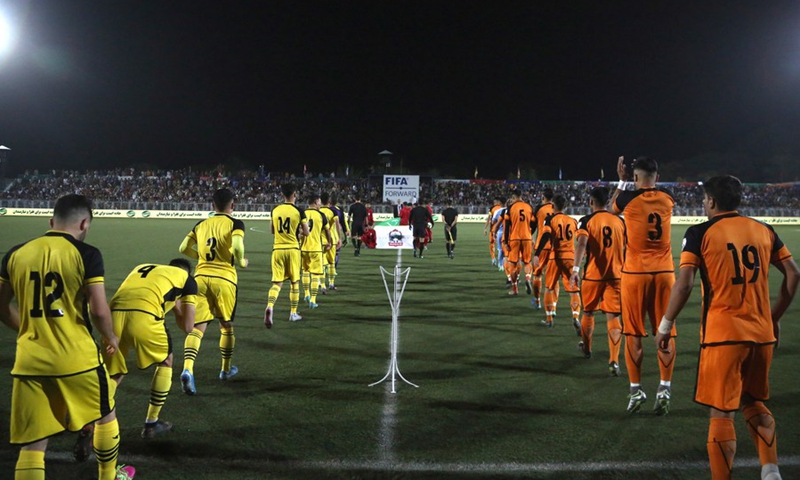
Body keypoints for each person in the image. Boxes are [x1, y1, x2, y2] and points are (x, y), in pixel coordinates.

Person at [655, 175, 798, 480]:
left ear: (711, 202)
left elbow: (685, 284)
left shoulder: (700, 232)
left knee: (721, 413)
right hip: (762, 335)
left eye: (705, 199)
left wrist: (666, 325)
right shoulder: (764, 230)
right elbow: (793, 273)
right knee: (753, 401)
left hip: (723, 336)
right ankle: (771, 471)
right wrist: (774, 317)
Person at [0, 194, 136, 480]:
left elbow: (1, 306)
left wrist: (28, 328)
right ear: (85, 223)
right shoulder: (87, 254)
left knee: (34, 444)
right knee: (105, 415)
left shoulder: (15, 253)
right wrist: (110, 337)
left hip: (30, 361)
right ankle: (109, 476)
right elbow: (99, 311)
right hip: (78, 359)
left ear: (51, 222)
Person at [96, 258, 198, 441]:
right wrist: (177, 306)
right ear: (187, 272)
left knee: (113, 374)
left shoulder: (142, 266)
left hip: (112, 317)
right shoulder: (188, 280)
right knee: (166, 361)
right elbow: (189, 327)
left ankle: (90, 419)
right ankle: (151, 424)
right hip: (144, 316)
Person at [609, 155, 676, 414]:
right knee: (666, 332)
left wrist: (622, 181)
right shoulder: (669, 197)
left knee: (634, 334)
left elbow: (611, 208)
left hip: (635, 274)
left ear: (635, 177)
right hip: (665, 274)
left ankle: (636, 390)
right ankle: (665, 387)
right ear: (657, 177)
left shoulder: (627, 198)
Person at [178, 188, 248, 395]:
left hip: (199, 279)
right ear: (232, 205)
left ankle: (188, 369)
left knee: (198, 328)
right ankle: (225, 370)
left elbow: (183, 248)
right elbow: (236, 247)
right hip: (225, 279)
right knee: (226, 325)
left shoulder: (201, 224)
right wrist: (242, 262)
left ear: (212, 206)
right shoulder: (235, 223)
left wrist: (199, 257)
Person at [569, 187, 625, 376]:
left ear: (591, 202)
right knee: (614, 317)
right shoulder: (620, 221)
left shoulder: (586, 221)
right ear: (607, 201)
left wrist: (575, 269)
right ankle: (614, 360)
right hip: (616, 275)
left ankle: (587, 348)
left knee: (589, 312)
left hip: (593, 275)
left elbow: (582, 243)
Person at [265, 183, 309, 325]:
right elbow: (306, 232)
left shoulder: (275, 210)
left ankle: (270, 306)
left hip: (277, 249)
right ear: (294, 195)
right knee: (294, 282)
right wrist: (299, 232)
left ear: (282, 195)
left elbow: (272, 231)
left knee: (277, 283)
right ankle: (293, 313)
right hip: (293, 249)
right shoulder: (299, 211)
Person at [533, 194, 580, 327]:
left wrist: (537, 253)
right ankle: (576, 316)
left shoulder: (550, 219)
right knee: (574, 290)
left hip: (555, 257)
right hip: (570, 258)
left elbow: (546, 235)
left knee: (549, 287)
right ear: (565, 207)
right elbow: (580, 240)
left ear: (553, 206)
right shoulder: (573, 221)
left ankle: (549, 319)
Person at [302, 194, 332, 309]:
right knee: (315, 274)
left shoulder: (302, 213)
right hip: (316, 248)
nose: (320, 204)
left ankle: (306, 295)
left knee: (305, 271)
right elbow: (327, 231)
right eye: (319, 202)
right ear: (315, 202)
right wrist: (329, 242)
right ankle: (313, 300)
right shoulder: (321, 215)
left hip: (303, 248)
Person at [503, 189, 534, 295]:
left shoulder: (510, 208)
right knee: (527, 262)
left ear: (513, 197)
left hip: (515, 238)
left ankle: (515, 289)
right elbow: (534, 223)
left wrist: (506, 242)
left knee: (512, 263)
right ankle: (528, 278)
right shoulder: (529, 207)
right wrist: (530, 233)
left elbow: (507, 226)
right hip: (527, 237)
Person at [531, 188, 556, 308]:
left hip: (541, 246)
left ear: (543, 197)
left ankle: (537, 301)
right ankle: (553, 306)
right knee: (553, 277)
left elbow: (532, 226)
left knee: (537, 274)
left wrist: (530, 237)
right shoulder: (557, 209)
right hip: (555, 247)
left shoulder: (539, 209)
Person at [320, 193, 343, 292]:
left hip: (321, 241)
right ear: (329, 201)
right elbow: (338, 225)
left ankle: (322, 285)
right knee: (332, 263)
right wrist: (339, 238)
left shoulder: (318, 212)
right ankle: (331, 283)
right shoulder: (332, 212)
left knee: (322, 264)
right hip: (332, 240)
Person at [484, 197, 503, 266]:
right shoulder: (503, 208)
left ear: (498, 202)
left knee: (492, 244)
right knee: (502, 245)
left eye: (495, 202)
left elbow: (489, 219)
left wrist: (485, 228)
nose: (494, 203)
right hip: (501, 230)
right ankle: (501, 261)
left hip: (493, 230)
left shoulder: (492, 208)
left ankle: (493, 259)